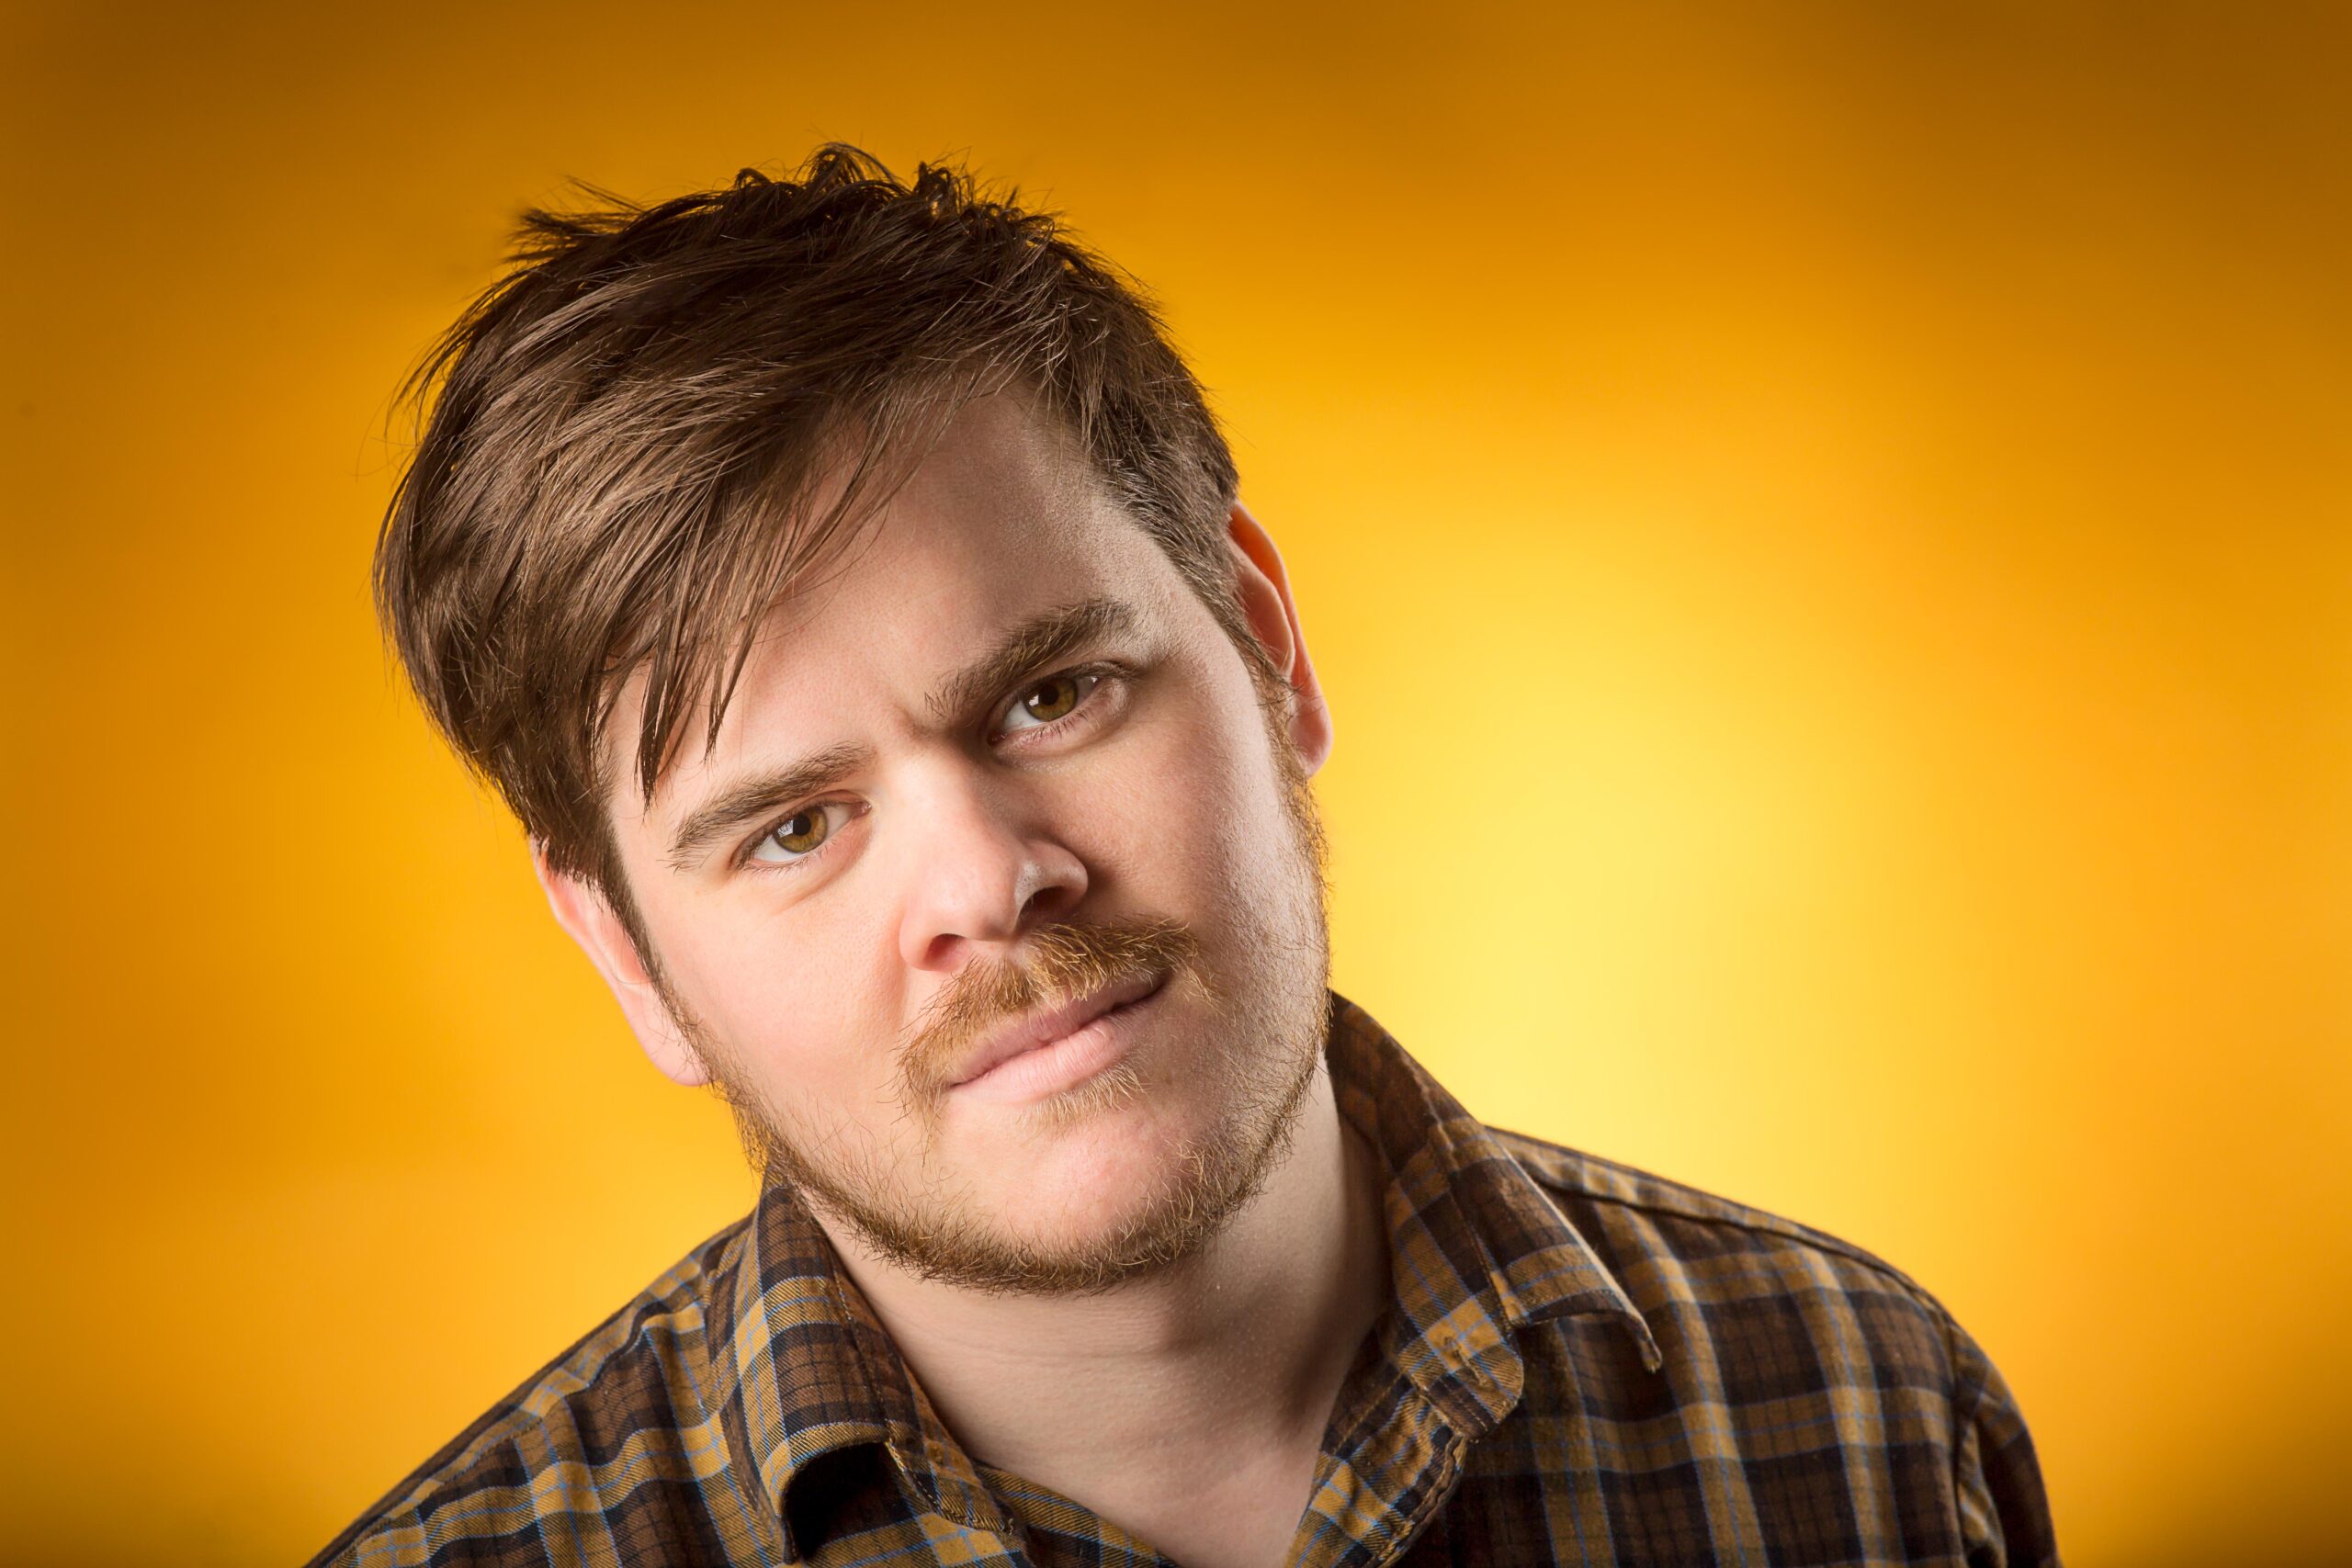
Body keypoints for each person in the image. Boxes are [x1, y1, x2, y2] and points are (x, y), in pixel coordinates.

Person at [312, 146, 2059, 1568]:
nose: (988, 886)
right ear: (628, 958)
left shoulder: (1870, 1418)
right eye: (792, 827)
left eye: (1053, 694)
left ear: (1264, 640)